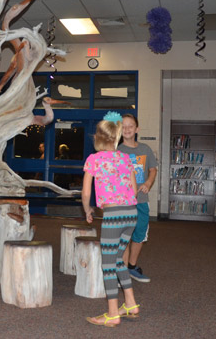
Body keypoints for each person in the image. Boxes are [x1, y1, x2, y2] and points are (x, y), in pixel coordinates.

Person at [82, 111, 140, 327]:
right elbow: (134, 188)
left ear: (97, 138)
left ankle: (113, 313)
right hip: (131, 213)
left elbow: (86, 192)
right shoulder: (126, 158)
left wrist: (87, 209)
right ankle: (131, 303)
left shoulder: (94, 160)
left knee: (107, 265)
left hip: (113, 216)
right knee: (118, 259)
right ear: (116, 138)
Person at [117, 113, 158, 283]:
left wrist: (148, 183)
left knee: (139, 234)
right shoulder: (117, 150)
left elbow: (153, 169)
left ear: (137, 129)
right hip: (123, 203)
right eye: (124, 126)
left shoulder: (145, 149)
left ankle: (132, 267)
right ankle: (122, 272)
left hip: (141, 201)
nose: (127, 129)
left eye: (130, 126)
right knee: (123, 236)